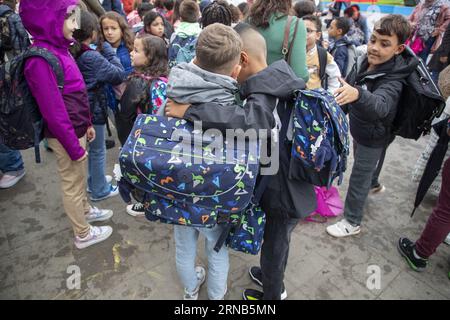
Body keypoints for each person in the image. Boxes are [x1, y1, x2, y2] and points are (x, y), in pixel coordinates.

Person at [166, 23, 315, 300]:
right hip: (282, 181)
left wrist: (192, 111)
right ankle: (268, 279)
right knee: (271, 245)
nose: (233, 77)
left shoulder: (264, 92)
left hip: (283, 192)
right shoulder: (276, 77)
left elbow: (250, 123)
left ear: (242, 59)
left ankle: (273, 293)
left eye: (233, 69)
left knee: (274, 246)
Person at [20, 0, 114, 249]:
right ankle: (83, 233)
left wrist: (88, 124)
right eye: (71, 19)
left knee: (79, 176)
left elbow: (76, 92)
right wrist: (73, 145)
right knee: (72, 182)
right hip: (65, 135)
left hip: (77, 128)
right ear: (50, 20)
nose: (76, 26)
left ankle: (85, 209)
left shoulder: (61, 48)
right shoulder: (39, 60)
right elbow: (54, 111)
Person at [163, 23, 245, 300]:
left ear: (194, 55)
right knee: (217, 248)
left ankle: (190, 290)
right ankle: (216, 295)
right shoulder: (231, 99)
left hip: (177, 184)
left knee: (184, 246)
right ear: (235, 67)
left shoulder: (175, 84)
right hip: (215, 190)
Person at [325, 15, 417, 238]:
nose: (374, 48)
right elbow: (350, 85)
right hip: (367, 130)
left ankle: (352, 220)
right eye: (373, 40)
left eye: (384, 44)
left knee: (359, 176)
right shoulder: (368, 60)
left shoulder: (395, 78)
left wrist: (358, 94)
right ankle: (374, 183)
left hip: (374, 135)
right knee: (371, 163)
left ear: (399, 49)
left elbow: (381, 106)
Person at [72, 10, 126, 202]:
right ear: (93, 31)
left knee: (93, 149)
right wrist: (109, 52)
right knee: (97, 150)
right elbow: (118, 74)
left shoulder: (75, 50)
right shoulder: (91, 56)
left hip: (83, 108)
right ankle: (100, 189)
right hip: (92, 110)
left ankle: (94, 180)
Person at [246, 0, 309, 81]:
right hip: (277, 89)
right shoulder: (295, 24)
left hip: (245, 89)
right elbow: (300, 74)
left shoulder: (247, 21)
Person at [99, 11, 134, 128]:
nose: (109, 32)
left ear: (122, 29)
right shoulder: (100, 50)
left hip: (131, 99)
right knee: (121, 128)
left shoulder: (130, 47)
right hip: (112, 99)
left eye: (113, 28)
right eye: (106, 29)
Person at [303, 14, 341, 93]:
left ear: (318, 35)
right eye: (300, 30)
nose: (303, 33)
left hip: (313, 100)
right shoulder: (291, 52)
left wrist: (329, 96)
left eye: (308, 31)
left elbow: (335, 77)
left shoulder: (323, 54)